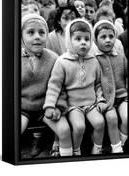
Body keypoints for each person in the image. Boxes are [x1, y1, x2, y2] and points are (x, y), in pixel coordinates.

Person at [43, 19, 107, 156]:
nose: (83, 42)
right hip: (73, 106)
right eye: (77, 39)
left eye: (86, 39)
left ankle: (97, 148)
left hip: (91, 104)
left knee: (100, 123)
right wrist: (49, 105)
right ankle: (76, 149)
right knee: (79, 126)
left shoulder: (93, 60)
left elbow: (98, 84)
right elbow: (54, 85)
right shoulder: (62, 61)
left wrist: (100, 99)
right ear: (69, 40)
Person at [21, 13, 68, 157]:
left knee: (64, 129)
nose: (37, 36)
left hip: (45, 106)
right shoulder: (12, 58)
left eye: (42, 32)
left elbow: (60, 87)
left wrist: (58, 107)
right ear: (21, 36)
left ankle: (66, 155)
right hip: (23, 108)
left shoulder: (53, 58)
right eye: (31, 32)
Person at [93, 20, 128, 152]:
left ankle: (122, 139)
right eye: (103, 37)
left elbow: (127, 75)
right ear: (95, 40)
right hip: (106, 100)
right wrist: (100, 99)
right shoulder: (94, 59)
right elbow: (95, 83)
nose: (108, 40)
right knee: (111, 118)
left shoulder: (120, 56)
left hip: (122, 96)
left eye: (111, 36)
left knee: (127, 117)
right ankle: (117, 148)